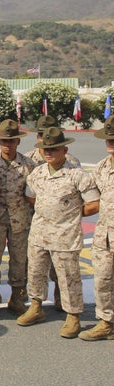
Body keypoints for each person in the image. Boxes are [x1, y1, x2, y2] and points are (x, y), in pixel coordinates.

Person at [17, 127, 99, 338]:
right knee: (35, 272)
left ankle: (73, 316)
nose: (49, 152)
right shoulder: (37, 173)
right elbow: (31, 198)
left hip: (65, 235)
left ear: (64, 149)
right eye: (45, 148)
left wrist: (70, 214)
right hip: (39, 233)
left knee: (68, 276)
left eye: (53, 148)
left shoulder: (77, 175)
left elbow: (93, 204)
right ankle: (36, 307)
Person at [0, 119, 36, 317]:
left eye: (11, 141)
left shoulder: (29, 165)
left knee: (20, 259)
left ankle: (17, 296)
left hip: (19, 219)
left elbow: (33, 195)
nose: (7, 144)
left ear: (18, 142)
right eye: (4, 140)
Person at [80, 116, 114, 340]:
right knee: (102, 279)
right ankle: (106, 322)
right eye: (108, 139)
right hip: (104, 234)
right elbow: (92, 201)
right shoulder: (101, 167)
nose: (110, 143)